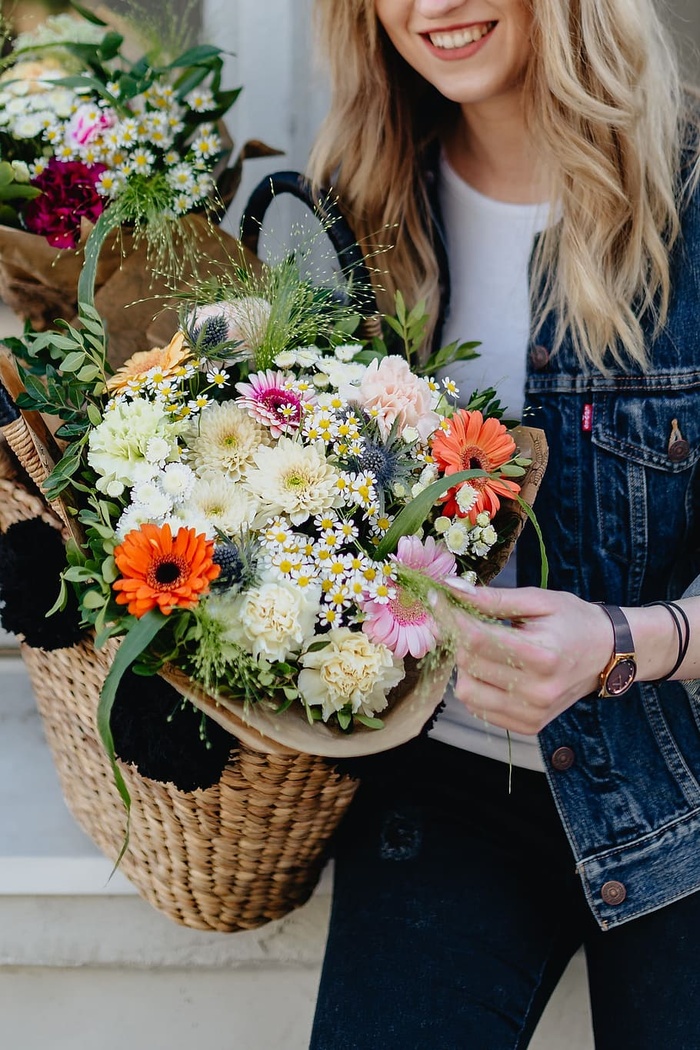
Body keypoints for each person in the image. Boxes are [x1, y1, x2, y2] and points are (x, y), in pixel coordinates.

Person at [305, 2, 700, 1048]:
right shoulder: (360, 203)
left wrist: (620, 642)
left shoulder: (688, 202)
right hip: (445, 778)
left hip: (686, 784)